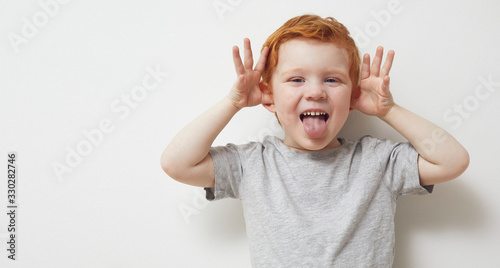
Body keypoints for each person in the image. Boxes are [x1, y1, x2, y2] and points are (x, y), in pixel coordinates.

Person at [161, 14, 469, 267]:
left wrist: (388, 110)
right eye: (296, 79)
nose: (316, 92)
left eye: (332, 79)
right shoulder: (253, 164)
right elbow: (177, 163)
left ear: (353, 97)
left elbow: (452, 160)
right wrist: (233, 102)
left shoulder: (376, 160)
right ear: (268, 96)